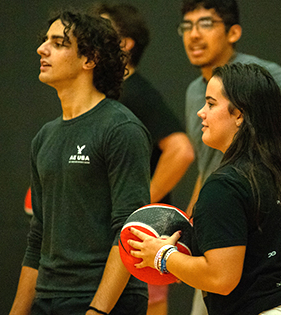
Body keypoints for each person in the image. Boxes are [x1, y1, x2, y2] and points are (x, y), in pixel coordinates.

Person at [128, 63, 281, 315]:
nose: (200, 113)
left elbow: (221, 279)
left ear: (239, 114)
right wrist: (184, 257)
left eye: (211, 104)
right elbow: (257, 256)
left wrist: (162, 256)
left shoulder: (225, 185)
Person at [9, 10, 152, 315]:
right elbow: (38, 235)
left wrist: (98, 311)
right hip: (47, 298)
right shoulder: (44, 137)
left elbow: (130, 232)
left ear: (90, 59)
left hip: (104, 300)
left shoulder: (120, 129)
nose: (41, 49)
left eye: (58, 43)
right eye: (45, 40)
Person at [179, 0, 281, 217]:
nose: (194, 35)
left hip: (258, 216)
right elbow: (207, 167)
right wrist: (190, 219)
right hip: (220, 210)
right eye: (187, 26)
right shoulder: (193, 91)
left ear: (233, 33)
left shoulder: (258, 75)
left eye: (206, 24)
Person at [90, 3, 195, 315]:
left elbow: (182, 150)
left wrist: (137, 209)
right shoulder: (109, 95)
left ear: (125, 44)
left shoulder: (136, 92)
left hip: (141, 237)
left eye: (101, 30)